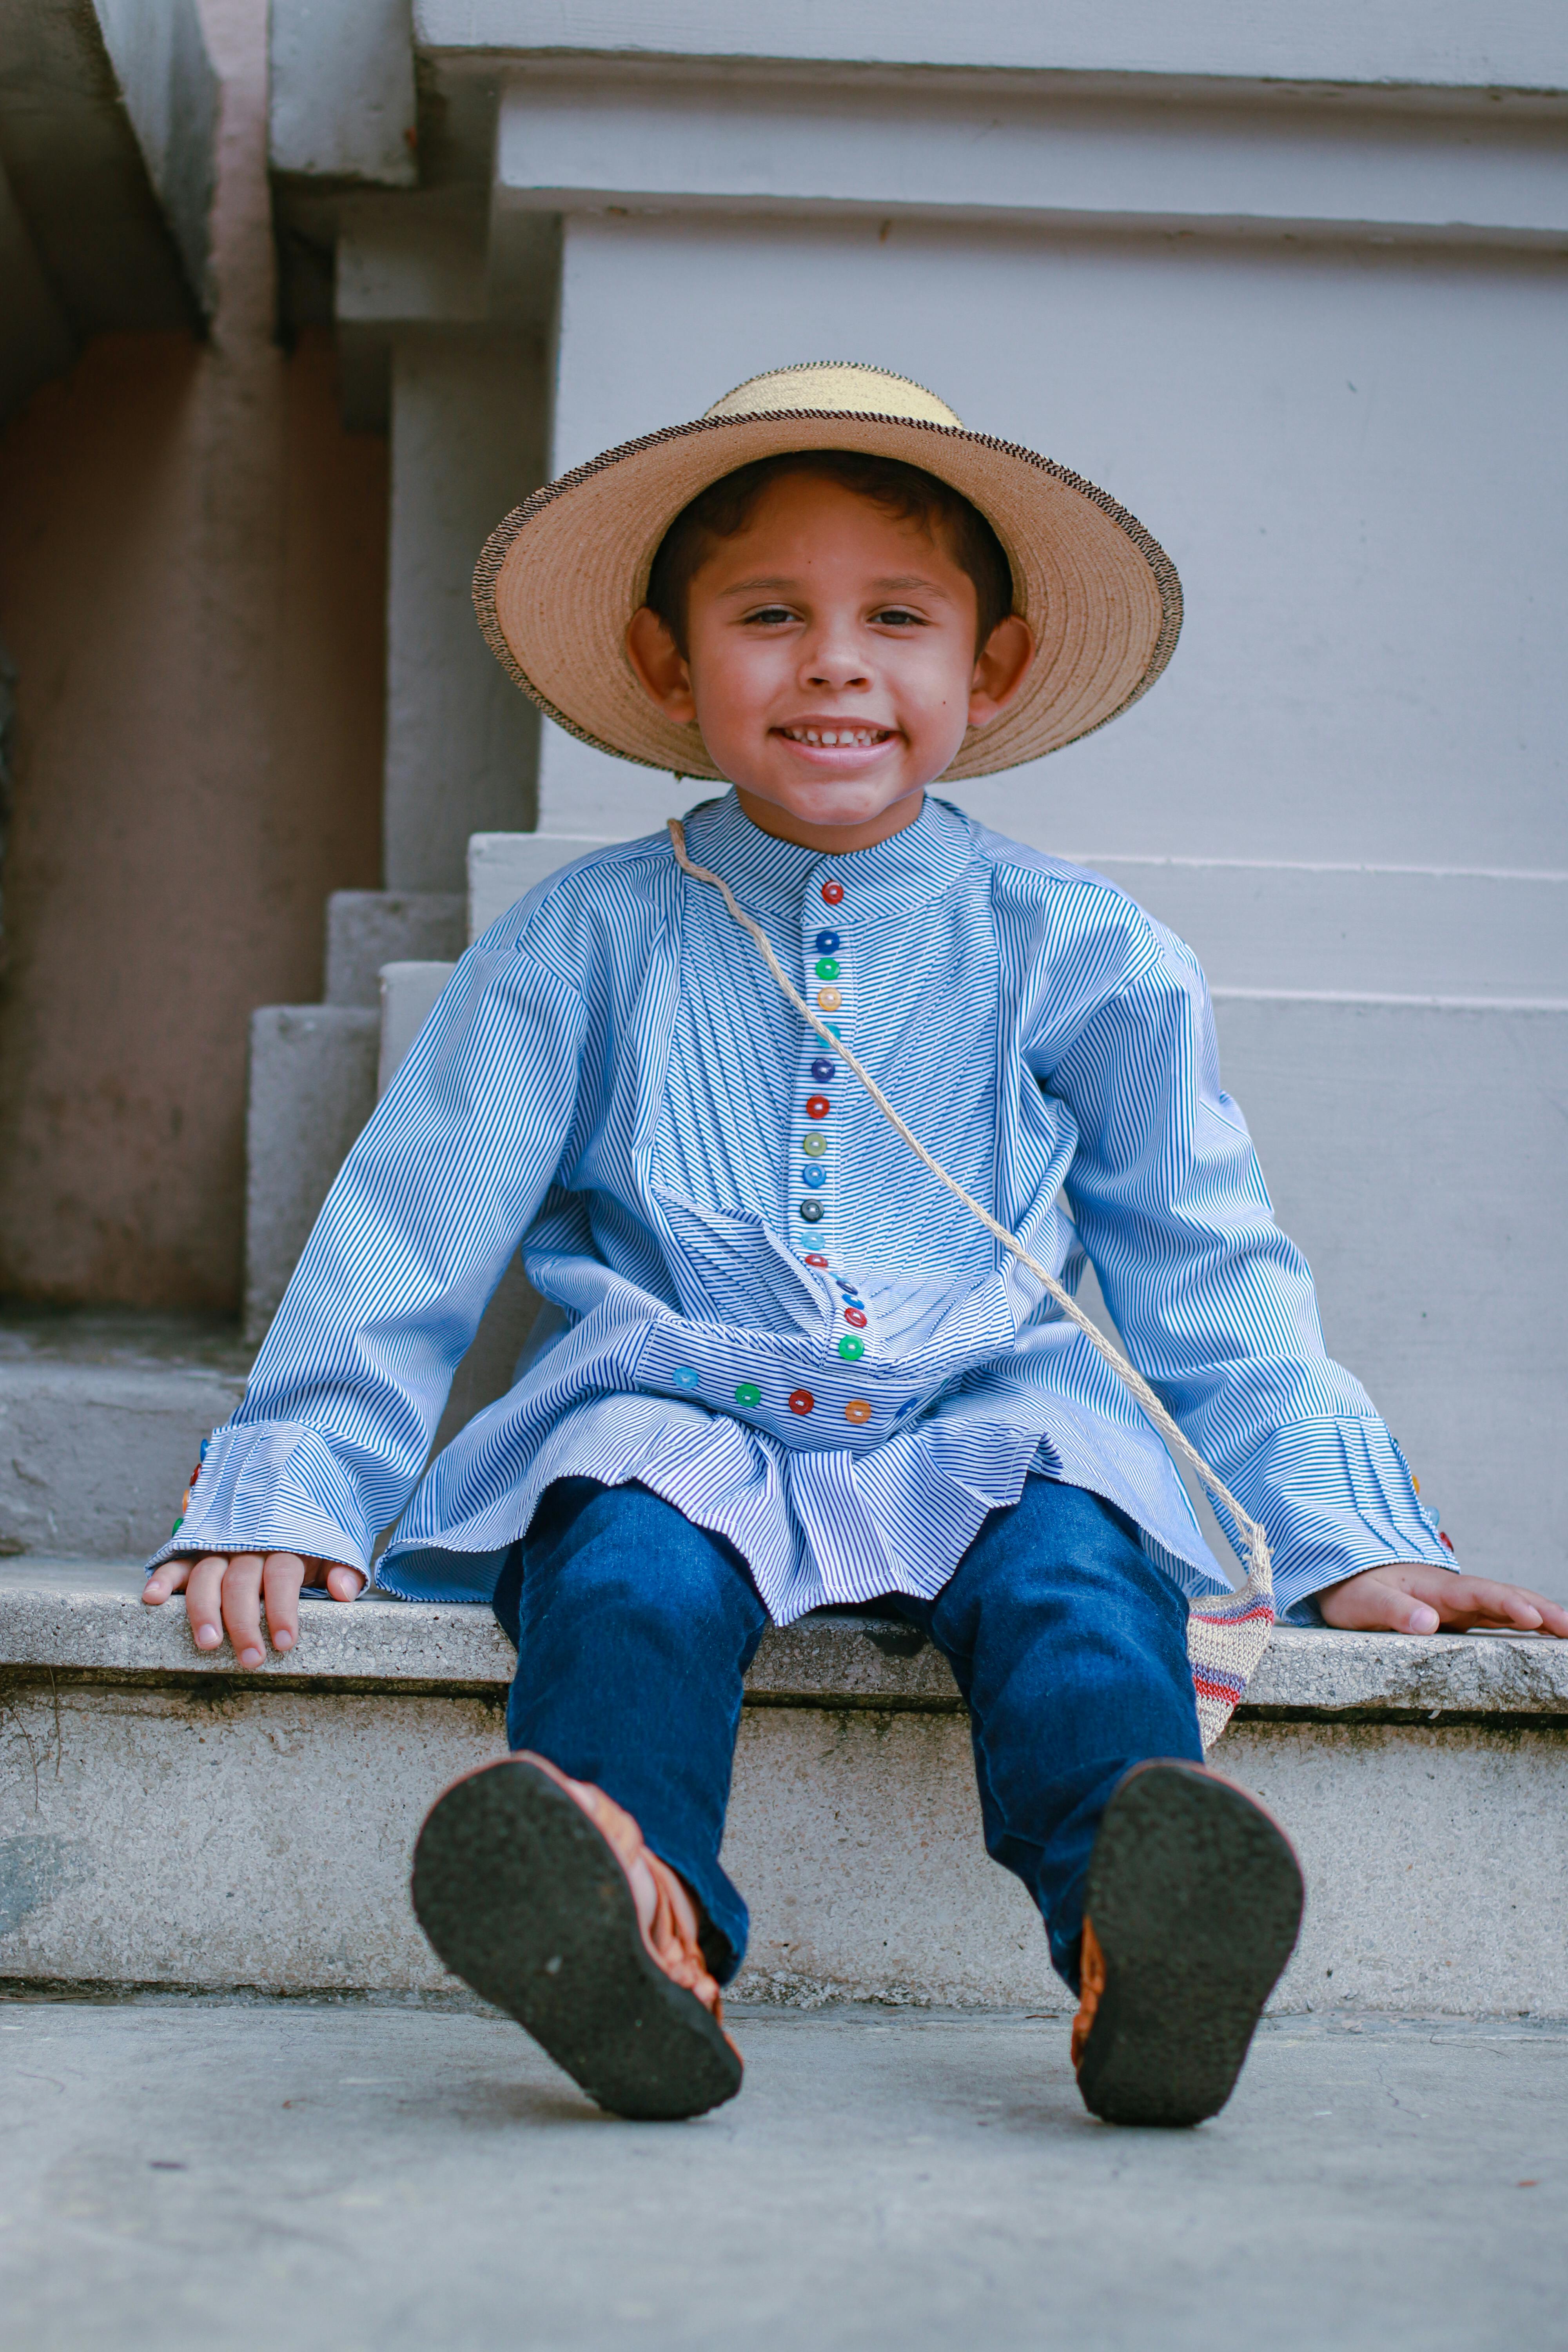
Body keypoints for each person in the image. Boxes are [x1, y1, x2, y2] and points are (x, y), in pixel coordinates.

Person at [143, 363, 1567, 2129]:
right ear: (672, 665)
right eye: (769, 616)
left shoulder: (1085, 954)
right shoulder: (581, 944)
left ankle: (1139, 1925)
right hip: (677, 1419)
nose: (834, 662)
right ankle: (634, 1919)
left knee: (1072, 1574)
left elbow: (1209, 1268)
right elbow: (412, 1220)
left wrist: (1346, 1534)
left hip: (991, 1418)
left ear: (994, 669)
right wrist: (294, 1484)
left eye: (896, 617)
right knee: (624, 1576)